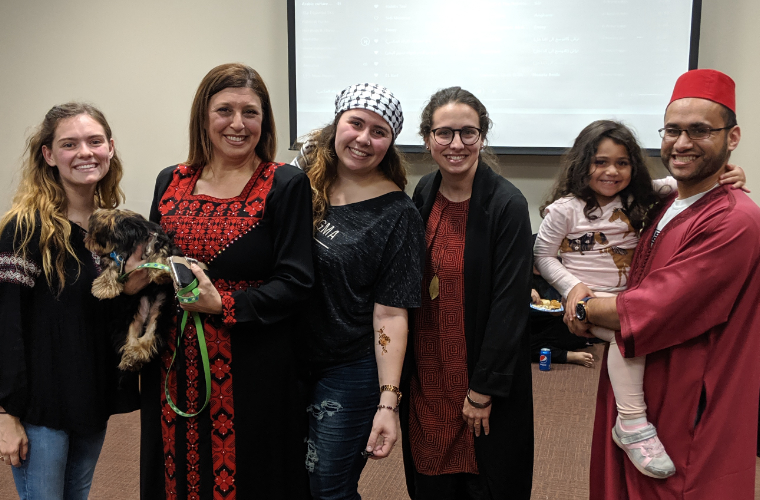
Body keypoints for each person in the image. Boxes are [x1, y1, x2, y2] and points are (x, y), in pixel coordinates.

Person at [567, 69, 760, 499]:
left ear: (732, 137)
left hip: (687, 397)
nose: (683, 143)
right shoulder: (669, 202)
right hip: (639, 378)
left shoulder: (733, 220)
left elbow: (649, 308)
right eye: (673, 130)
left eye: (700, 130)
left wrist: (581, 307)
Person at [139, 63, 314, 499]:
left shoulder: (285, 184)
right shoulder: (171, 180)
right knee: (174, 469)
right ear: (204, 116)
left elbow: (297, 281)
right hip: (174, 360)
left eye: (250, 113)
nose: (238, 124)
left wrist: (224, 305)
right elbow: (156, 264)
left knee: (252, 475)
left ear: (264, 121)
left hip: (253, 363)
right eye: (225, 110)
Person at [400, 87, 534, 500]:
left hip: (479, 380)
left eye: (468, 133)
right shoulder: (424, 191)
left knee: (486, 481)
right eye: (444, 133)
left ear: (482, 136)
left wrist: (482, 390)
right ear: (427, 139)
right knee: (430, 481)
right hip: (429, 375)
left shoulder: (506, 205)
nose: (456, 144)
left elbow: (509, 308)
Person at [0, 103, 139, 499]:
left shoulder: (114, 229)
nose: (85, 152)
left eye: (95, 141)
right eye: (69, 144)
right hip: (40, 410)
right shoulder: (25, 228)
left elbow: (108, 318)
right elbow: (5, 322)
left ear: (110, 148)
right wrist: (5, 416)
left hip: (90, 400)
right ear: (48, 155)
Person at [296, 83, 424, 500]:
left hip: (349, 371)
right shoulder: (301, 184)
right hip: (287, 359)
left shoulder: (397, 214)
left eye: (379, 131)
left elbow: (391, 315)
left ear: (390, 143)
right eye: (356, 123)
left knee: (328, 489)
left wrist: (388, 403)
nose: (364, 139)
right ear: (337, 124)